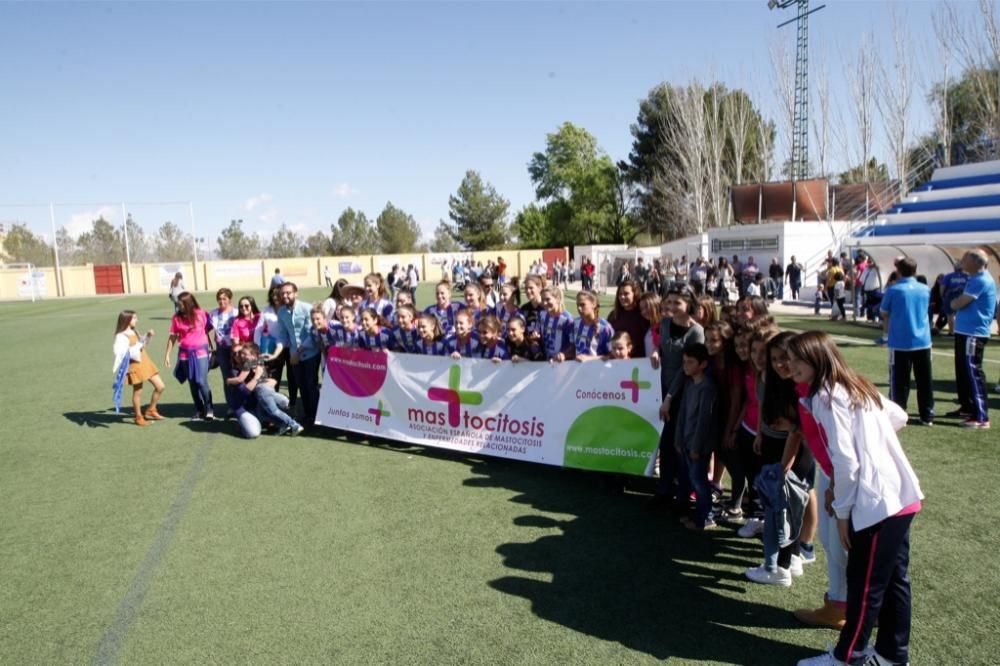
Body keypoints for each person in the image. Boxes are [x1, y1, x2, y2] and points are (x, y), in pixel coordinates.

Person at [789, 331, 923, 666]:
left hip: (879, 505)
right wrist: (873, 443)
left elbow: (846, 462)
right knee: (893, 581)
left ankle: (847, 657)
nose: (790, 366)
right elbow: (899, 417)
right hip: (900, 499)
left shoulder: (826, 397)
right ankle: (892, 656)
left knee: (865, 586)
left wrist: (844, 513)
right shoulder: (854, 384)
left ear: (818, 358)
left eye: (797, 359)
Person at [745, 331, 815, 587]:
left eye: (784, 358)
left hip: (793, 452)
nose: (778, 364)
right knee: (784, 507)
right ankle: (790, 558)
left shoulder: (800, 386)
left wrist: (784, 466)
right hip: (777, 446)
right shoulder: (773, 380)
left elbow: (796, 432)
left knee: (783, 508)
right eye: (774, 358)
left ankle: (778, 568)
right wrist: (763, 434)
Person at [650, 287, 704, 508]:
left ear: (688, 304)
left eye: (677, 303)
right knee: (665, 442)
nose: (671, 307)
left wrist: (670, 397)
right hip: (660, 389)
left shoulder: (696, 331)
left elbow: (687, 369)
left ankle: (683, 494)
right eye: (669, 302)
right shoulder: (664, 323)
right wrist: (655, 351)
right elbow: (661, 347)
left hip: (681, 393)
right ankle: (664, 490)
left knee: (679, 444)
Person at [880, 257, 934, 426]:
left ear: (899, 271)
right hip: (923, 340)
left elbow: (883, 311)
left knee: (899, 380)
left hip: (900, 341)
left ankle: (898, 414)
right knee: (924, 379)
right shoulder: (925, 289)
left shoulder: (894, 290)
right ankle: (927, 414)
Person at [948, 249, 997, 429]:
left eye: (965, 259)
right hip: (965, 331)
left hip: (974, 333)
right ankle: (968, 407)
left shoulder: (981, 280)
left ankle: (981, 417)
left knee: (973, 372)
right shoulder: (974, 279)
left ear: (976, 262)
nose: (962, 261)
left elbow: (961, 302)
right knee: (962, 371)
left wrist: (954, 303)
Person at [674, 343, 718, 531]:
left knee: (700, 483)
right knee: (690, 479)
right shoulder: (689, 383)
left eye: (690, 362)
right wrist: (678, 439)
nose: (686, 366)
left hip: (697, 448)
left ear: (703, 364)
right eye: (684, 362)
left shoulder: (707, 388)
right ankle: (694, 513)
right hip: (685, 443)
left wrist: (695, 447)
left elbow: (704, 421)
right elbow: (683, 414)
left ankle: (706, 518)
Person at [270, 282, 321, 427]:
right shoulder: (281, 312)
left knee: (311, 385)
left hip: (310, 353)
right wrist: (276, 353)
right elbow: (282, 335)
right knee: (301, 386)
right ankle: (308, 416)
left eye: (288, 293)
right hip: (294, 356)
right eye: (283, 293)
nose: (285, 296)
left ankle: (317, 416)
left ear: (295, 293)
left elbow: (311, 334)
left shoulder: (306, 308)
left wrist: (298, 352)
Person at [227, 342, 304, 436]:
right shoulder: (259, 360)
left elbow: (240, 379)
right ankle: (283, 421)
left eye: (243, 353)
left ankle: (294, 424)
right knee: (264, 413)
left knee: (273, 411)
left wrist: (229, 380)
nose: (241, 356)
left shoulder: (248, 364)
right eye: (237, 354)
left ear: (253, 355)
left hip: (262, 391)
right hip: (265, 391)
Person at [164, 292, 215, 420]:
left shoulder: (201, 313)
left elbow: (208, 328)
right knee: (192, 383)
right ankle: (199, 409)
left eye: (180, 304)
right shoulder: (176, 318)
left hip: (201, 352)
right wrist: (167, 355)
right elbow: (172, 337)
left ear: (188, 303)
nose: (178, 306)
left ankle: (209, 409)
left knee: (201, 381)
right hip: (185, 354)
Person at [112, 310, 165, 426]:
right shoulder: (121, 336)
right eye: (134, 318)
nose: (137, 320)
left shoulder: (133, 331)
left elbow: (143, 345)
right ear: (127, 320)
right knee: (138, 392)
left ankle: (151, 409)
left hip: (145, 362)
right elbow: (123, 353)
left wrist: (148, 337)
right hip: (135, 366)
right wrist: (140, 343)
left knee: (160, 386)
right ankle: (138, 417)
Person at [209, 288, 238, 414]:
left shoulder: (237, 312)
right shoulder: (213, 314)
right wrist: (210, 345)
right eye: (219, 299)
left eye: (224, 298)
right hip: (221, 349)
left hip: (236, 349)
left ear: (229, 299)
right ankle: (231, 405)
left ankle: (242, 404)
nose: (221, 301)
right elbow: (205, 330)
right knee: (227, 377)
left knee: (238, 375)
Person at [568, 290, 614, 361]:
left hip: (597, 369)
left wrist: (590, 358)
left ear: (594, 304)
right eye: (577, 305)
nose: (579, 308)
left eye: (582, 305)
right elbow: (573, 348)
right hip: (577, 369)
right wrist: (563, 355)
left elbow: (612, 355)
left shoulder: (605, 328)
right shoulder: (575, 323)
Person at [608, 280, 649, 358]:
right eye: (620, 294)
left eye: (626, 294)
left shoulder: (643, 314)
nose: (622, 297)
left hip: (640, 362)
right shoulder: (613, 315)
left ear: (635, 294)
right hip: (617, 362)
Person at [537, 286, 574, 361]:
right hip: (545, 361)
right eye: (542, 299)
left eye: (548, 299)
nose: (544, 303)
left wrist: (564, 355)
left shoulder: (567, 319)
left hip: (562, 363)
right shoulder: (541, 314)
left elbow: (574, 345)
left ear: (557, 299)